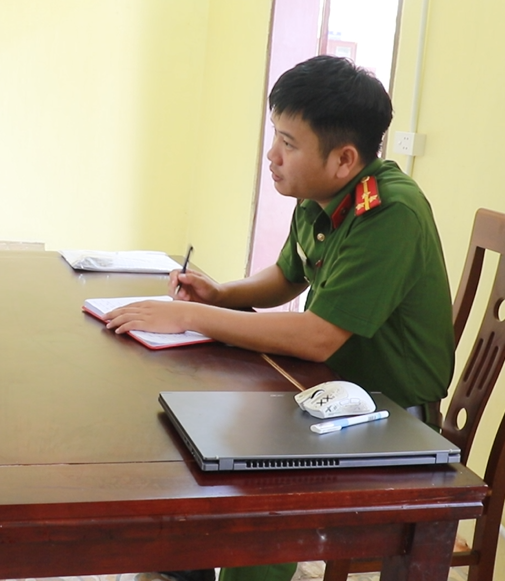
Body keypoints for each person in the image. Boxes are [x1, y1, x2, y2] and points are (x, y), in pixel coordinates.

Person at [110, 55, 454, 581]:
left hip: (388, 417)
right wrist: (220, 294)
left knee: (262, 482)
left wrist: (189, 316)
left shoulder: (388, 212)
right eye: (275, 135)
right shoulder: (322, 194)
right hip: (328, 392)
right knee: (188, 436)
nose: (272, 155)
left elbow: (317, 338)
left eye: (288, 143)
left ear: (344, 159)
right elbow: (288, 275)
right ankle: (180, 568)